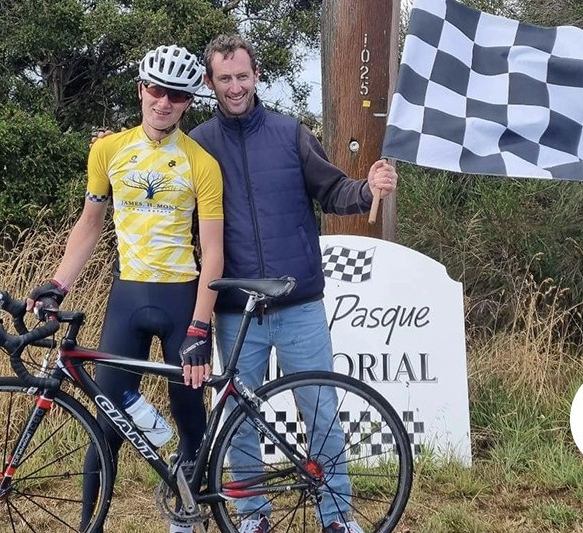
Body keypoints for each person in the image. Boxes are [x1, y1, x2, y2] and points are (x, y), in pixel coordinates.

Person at [190, 34, 397, 533]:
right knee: (238, 419)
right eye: (225, 78)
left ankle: (335, 518)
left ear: (256, 76)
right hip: (235, 307)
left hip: (299, 302)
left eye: (242, 76)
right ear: (210, 82)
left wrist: (368, 187)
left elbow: (334, 190)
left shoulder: (290, 134)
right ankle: (253, 516)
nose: (235, 86)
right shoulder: (197, 144)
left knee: (320, 410)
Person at [29, 44, 223, 533]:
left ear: (187, 103)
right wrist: (57, 284)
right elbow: (90, 226)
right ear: (140, 90)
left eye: (176, 95)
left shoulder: (202, 162)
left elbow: (214, 254)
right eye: (156, 90)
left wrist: (200, 326)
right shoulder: (108, 150)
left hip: (182, 300)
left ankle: (187, 515)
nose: (164, 103)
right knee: (105, 423)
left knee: (190, 418)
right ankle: (89, 524)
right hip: (128, 296)